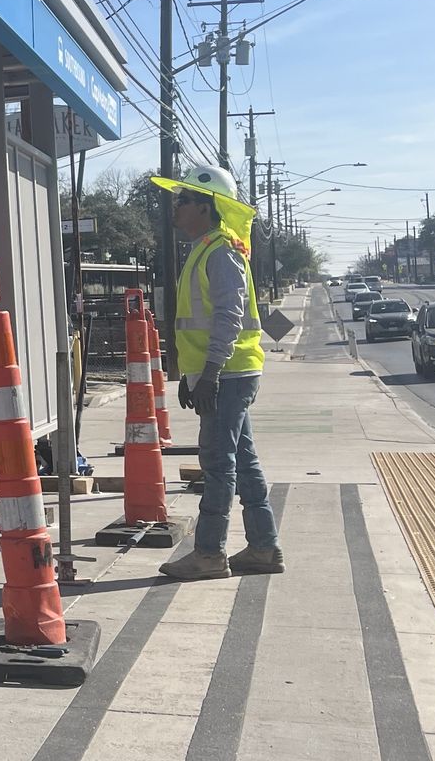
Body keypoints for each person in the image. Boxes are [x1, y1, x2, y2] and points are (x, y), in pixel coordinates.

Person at [150, 164, 282, 581]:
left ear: (206, 208)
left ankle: (208, 554)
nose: (175, 206)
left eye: (183, 200)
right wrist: (195, 375)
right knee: (243, 462)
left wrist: (208, 374)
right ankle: (263, 548)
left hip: (226, 374)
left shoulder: (221, 251)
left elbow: (228, 316)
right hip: (226, 372)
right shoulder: (208, 248)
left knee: (218, 465)